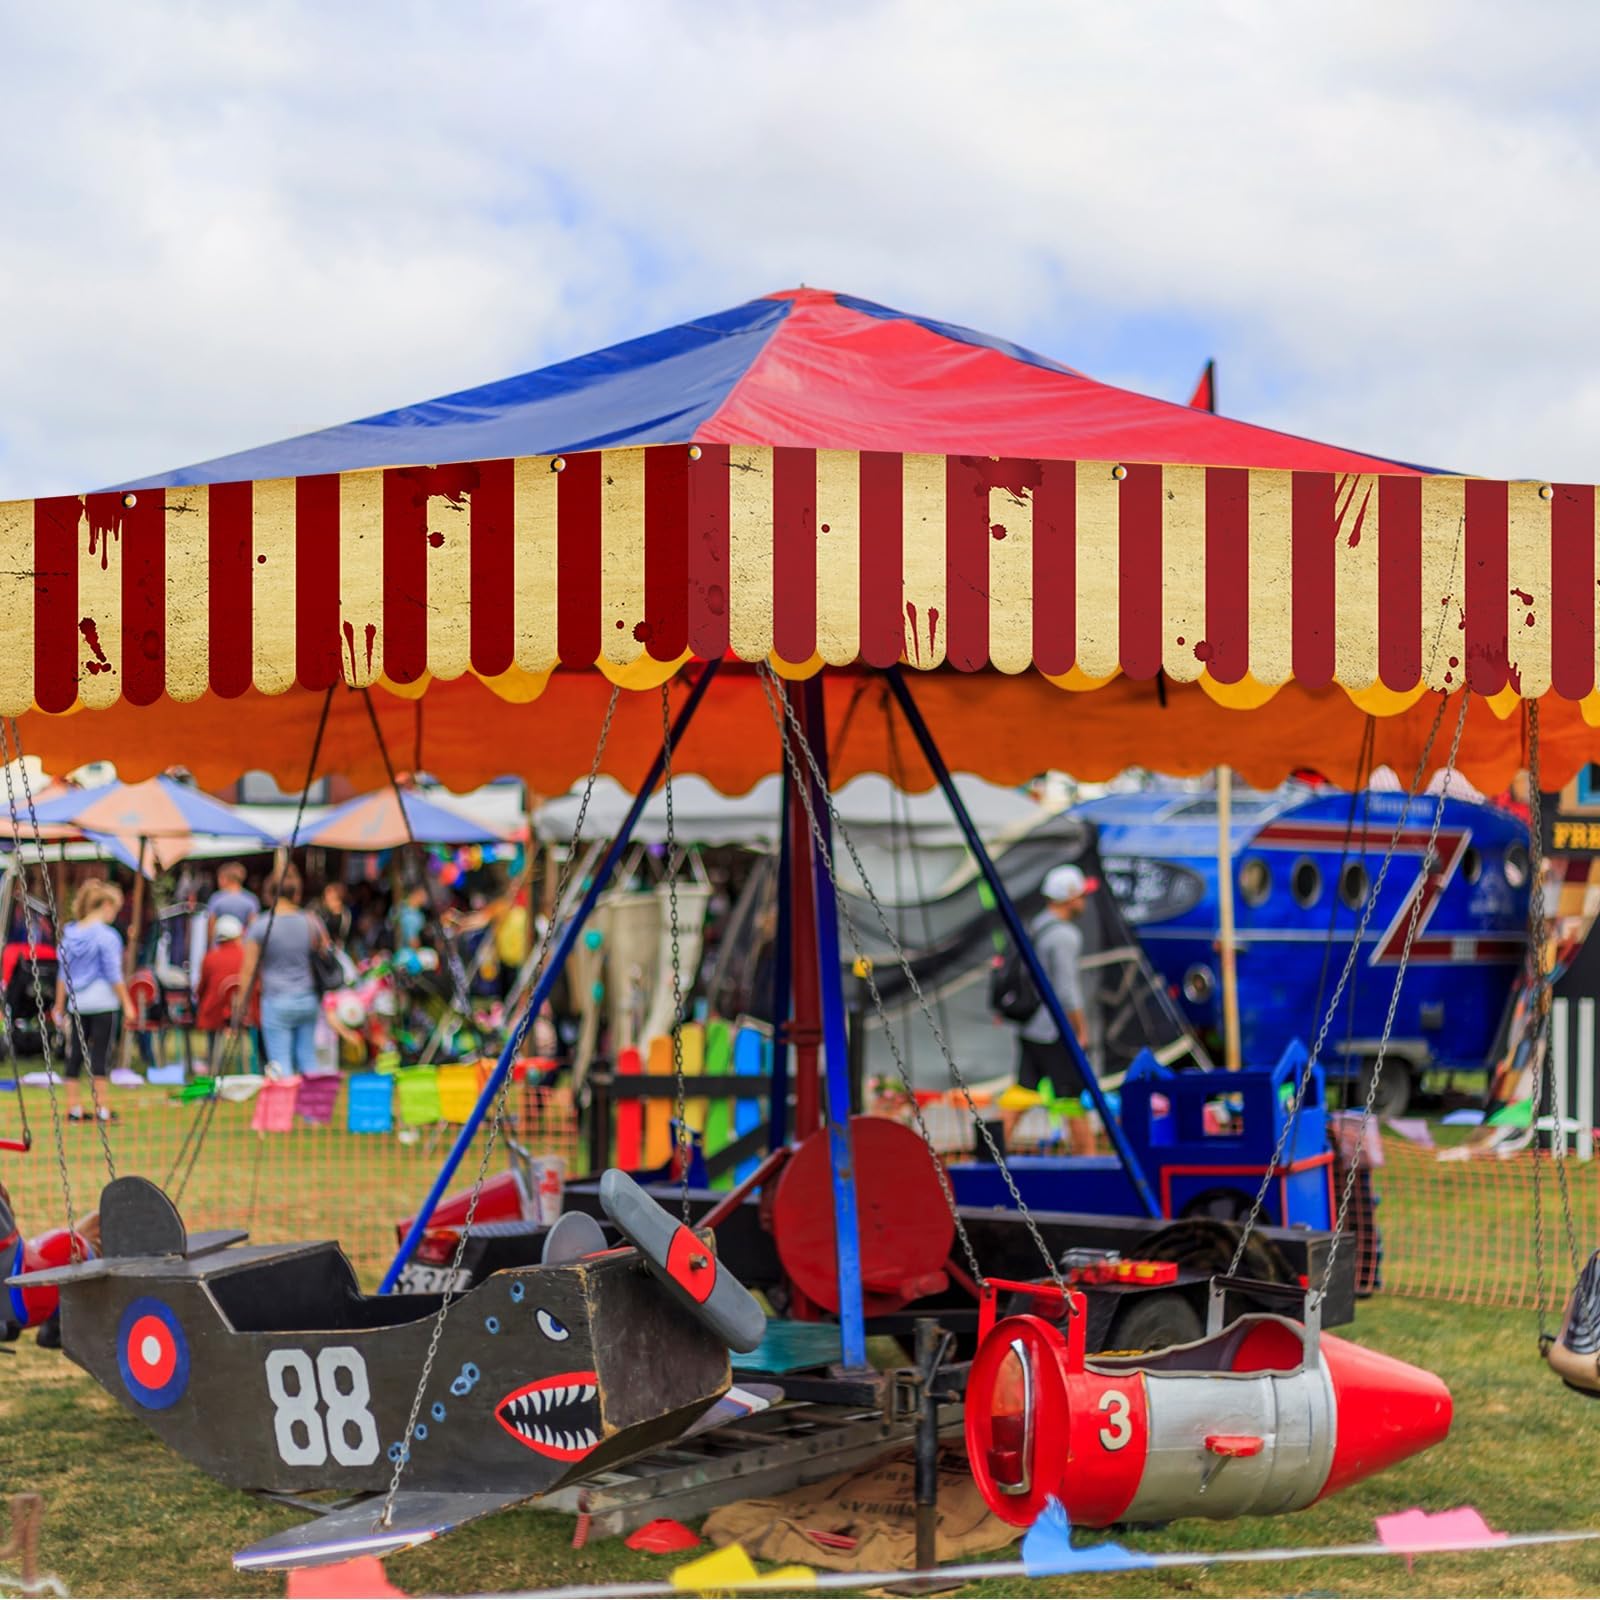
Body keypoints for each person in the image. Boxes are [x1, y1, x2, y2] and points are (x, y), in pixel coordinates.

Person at [1014, 863, 1096, 1156]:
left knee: (1023, 1091)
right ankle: (1088, 1158)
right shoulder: (1064, 935)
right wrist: (1080, 1030)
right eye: (1081, 895)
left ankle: (993, 1147)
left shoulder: (1038, 925)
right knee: (1071, 1095)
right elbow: (1066, 992)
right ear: (1069, 898)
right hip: (1053, 1030)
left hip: (1031, 1025)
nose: (1085, 901)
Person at [54, 880, 134, 1124]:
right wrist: (128, 1003)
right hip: (103, 1002)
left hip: (76, 1003)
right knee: (100, 1054)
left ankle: (73, 1108)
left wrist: (59, 1005)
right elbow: (113, 974)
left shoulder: (69, 934)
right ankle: (101, 1109)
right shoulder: (107, 936)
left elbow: (62, 974)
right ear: (106, 905)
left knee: (75, 1054)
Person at [239, 867, 331, 1074]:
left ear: (268, 894)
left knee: (281, 1062)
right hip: (308, 997)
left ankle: (285, 1104)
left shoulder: (261, 925)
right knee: (308, 1058)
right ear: (296, 893)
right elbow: (326, 952)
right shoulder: (311, 921)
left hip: (276, 999)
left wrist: (242, 1002)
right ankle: (314, 1104)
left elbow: (248, 969)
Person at [195, 913, 254, 1064]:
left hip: (216, 1014)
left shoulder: (210, 957)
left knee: (209, 1011)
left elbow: (201, 989)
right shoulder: (246, 956)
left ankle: (213, 1062)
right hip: (243, 1012)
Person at [207, 862, 260, 948]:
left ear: (225, 878)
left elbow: (211, 927)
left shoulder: (216, 899)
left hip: (220, 948)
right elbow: (253, 928)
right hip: (241, 948)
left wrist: (210, 946)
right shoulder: (251, 899)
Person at [314, 881, 352, 949]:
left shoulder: (340, 918)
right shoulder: (327, 914)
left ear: (338, 900)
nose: (325, 900)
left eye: (329, 898)